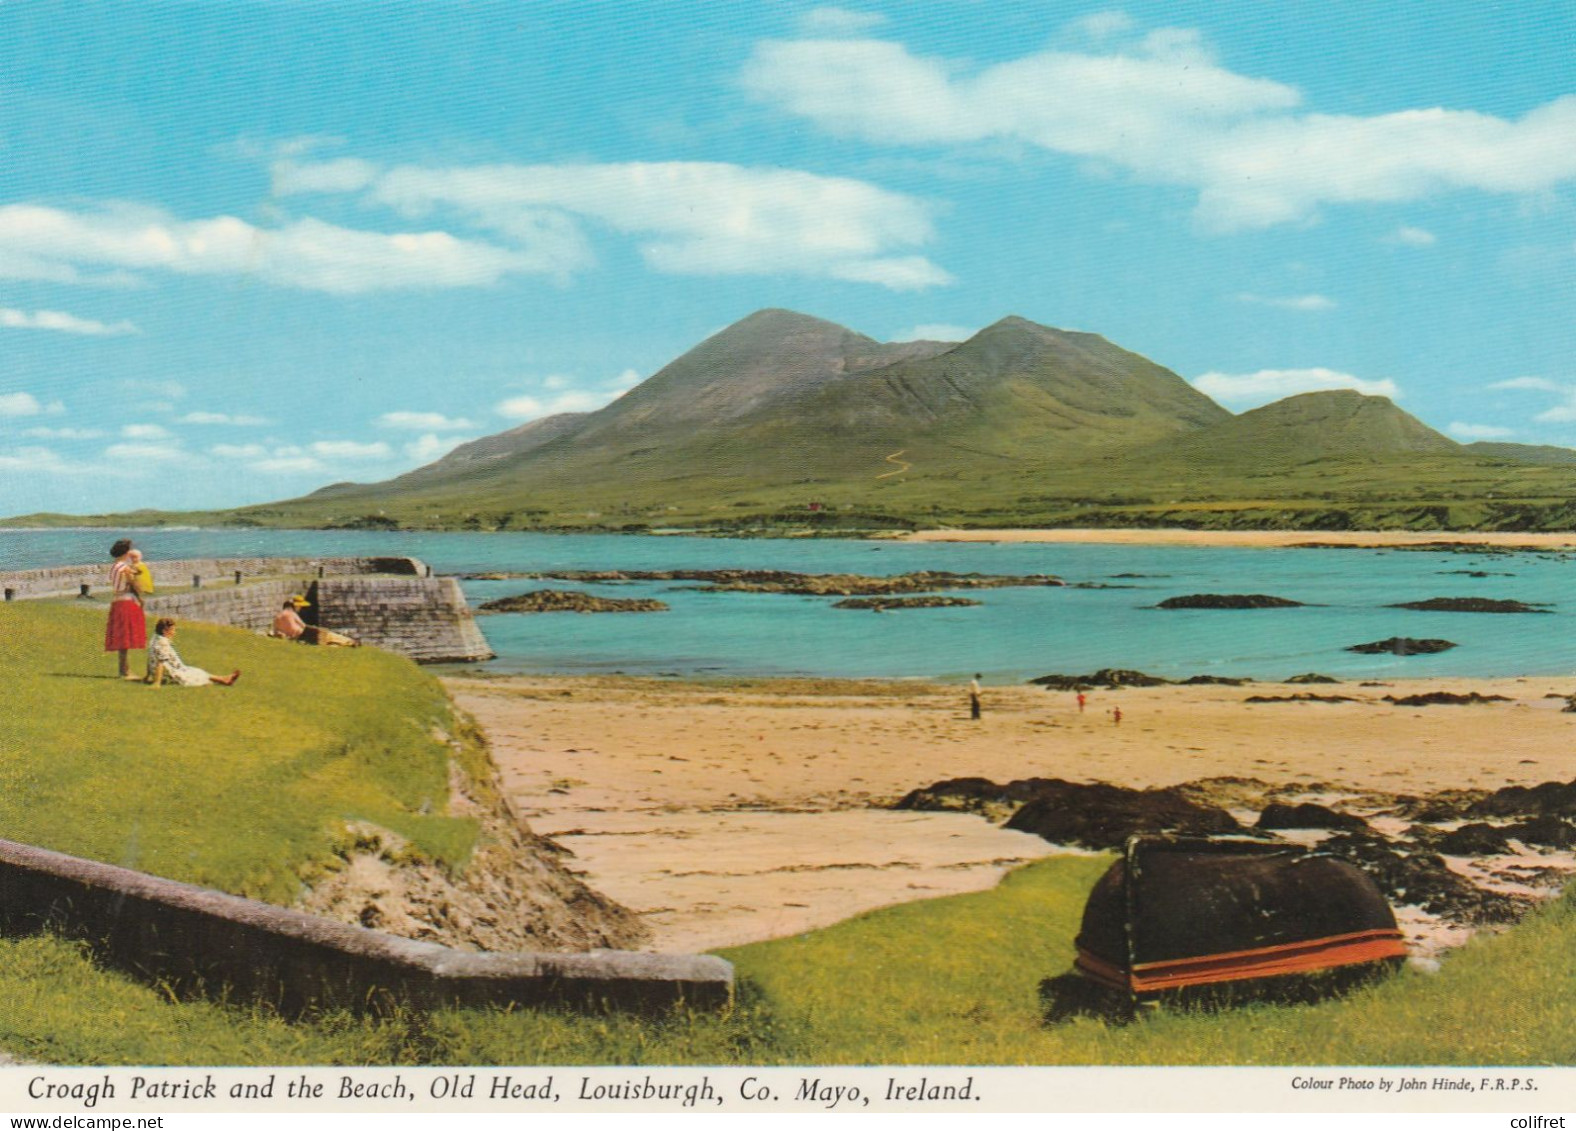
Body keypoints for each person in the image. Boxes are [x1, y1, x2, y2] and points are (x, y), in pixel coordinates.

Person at [146, 618, 240, 687]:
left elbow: (151, 659)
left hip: (170, 670)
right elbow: (160, 662)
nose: (174, 633)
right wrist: (157, 683)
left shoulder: (155, 638)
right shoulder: (162, 643)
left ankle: (224, 679)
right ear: (165, 631)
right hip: (169, 674)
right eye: (173, 630)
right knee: (197, 675)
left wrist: (148, 675)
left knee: (197, 671)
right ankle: (223, 680)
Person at [104, 538, 147, 679]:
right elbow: (134, 585)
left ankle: (124, 669)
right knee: (126, 637)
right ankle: (125, 671)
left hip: (117, 601)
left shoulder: (114, 566)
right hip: (126, 601)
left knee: (122, 637)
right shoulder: (125, 568)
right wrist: (140, 599)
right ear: (126, 552)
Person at [271, 595, 359, 647]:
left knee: (325, 643)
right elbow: (303, 625)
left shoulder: (277, 617)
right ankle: (349, 641)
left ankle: (346, 643)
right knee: (328, 635)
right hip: (303, 634)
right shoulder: (291, 613)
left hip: (294, 638)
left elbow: (276, 631)